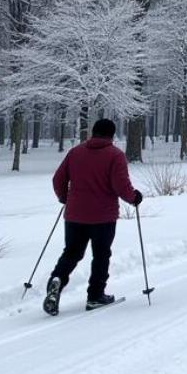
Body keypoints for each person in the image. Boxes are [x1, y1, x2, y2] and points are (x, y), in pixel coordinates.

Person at [42, 118, 142, 315]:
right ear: (112, 135)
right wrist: (134, 198)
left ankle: (57, 282)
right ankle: (95, 296)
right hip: (103, 217)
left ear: (93, 132)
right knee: (101, 255)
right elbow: (121, 185)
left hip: (75, 215)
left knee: (71, 253)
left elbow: (58, 179)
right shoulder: (115, 155)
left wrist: (64, 197)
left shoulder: (76, 152)